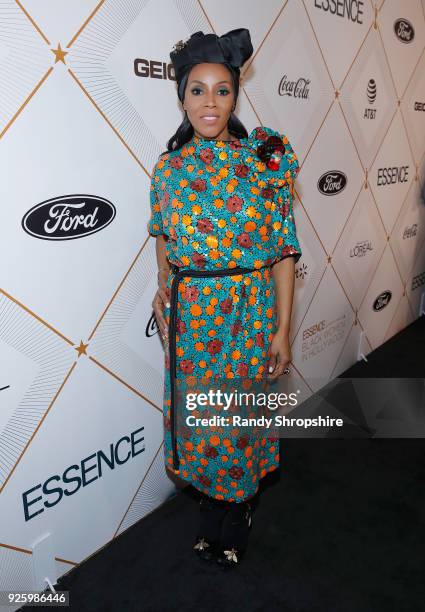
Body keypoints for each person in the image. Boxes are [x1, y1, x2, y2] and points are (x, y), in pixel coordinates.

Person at [147, 28, 302, 568]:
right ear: (182, 97)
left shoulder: (264, 159)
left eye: (222, 90)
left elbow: (284, 252)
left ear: (236, 96)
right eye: (197, 90)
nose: (209, 102)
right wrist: (163, 288)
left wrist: (282, 329)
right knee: (205, 422)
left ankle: (237, 516)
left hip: (247, 313)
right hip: (194, 320)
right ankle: (212, 511)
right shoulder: (167, 170)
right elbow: (164, 240)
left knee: (238, 423)